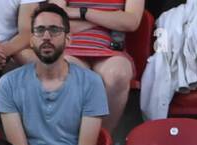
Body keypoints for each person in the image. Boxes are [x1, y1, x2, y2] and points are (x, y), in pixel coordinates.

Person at [0, 3, 108, 145]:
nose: (46, 37)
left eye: (54, 30)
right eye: (40, 30)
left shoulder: (92, 83)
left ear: (68, 39)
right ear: (31, 40)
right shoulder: (8, 84)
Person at [59, 0, 145, 134]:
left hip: (110, 49)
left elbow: (131, 21)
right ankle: (70, 140)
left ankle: (101, 139)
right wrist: (111, 18)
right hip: (70, 47)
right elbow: (55, 19)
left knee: (118, 74)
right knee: (69, 73)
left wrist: (82, 12)